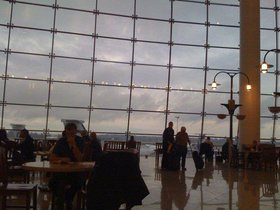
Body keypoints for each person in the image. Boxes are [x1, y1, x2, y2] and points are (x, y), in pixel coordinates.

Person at [49, 123, 85, 210]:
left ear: (75, 131)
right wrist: (63, 159)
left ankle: (66, 200)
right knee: (53, 183)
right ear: (65, 131)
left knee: (76, 183)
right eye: (68, 131)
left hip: (75, 172)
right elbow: (52, 158)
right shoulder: (61, 141)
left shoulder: (80, 141)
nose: (70, 133)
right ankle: (64, 201)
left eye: (72, 131)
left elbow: (80, 159)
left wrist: (74, 145)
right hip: (61, 171)